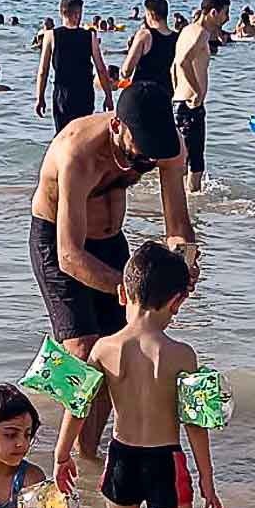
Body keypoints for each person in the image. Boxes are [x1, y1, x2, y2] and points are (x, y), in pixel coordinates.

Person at [28, 81, 199, 459]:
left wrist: (182, 265)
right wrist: (130, 288)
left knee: (118, 350)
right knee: (83, 350)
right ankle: (62, 451)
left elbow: (178, 226)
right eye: (140, 156)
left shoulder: (164, 146)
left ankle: (88, 454)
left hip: (112, 241)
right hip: (59, 240)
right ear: (117, 126)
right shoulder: (78, 152)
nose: (146, 164)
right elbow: (69, 255)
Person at [52, 243, 222, 508]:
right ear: (177, 301)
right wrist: (207, 476)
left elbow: (77, 405)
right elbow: (195, 421)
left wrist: (61, 454)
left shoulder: (104, 349)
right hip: (166, 460)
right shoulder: (182, 354)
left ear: (123, 293)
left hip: (121, 458)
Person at [172, 0, 230, 194]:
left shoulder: (187, 30)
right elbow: (183, 62)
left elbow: (174, 67)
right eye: (225, 13)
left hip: (180, 102)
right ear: (213, 12)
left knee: (186, 159)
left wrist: (178, 91)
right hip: (190, 106)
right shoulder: (201, 33)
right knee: (195, 163)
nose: (227, 18)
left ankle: (185, 202)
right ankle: (190, 209)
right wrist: (196, 92)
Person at [36, 0, 114, 135]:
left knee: (62, 136)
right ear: (78, 14)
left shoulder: (51, 36)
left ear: (61, 13)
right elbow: (101, 69)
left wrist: (40, 97)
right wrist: (108, 96)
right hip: (84, 93)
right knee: (83, 136)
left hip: (62, 94)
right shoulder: (90, 36)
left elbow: (43, 70)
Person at [119, 0, 177, 92]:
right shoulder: (178, 37)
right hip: (166, 94)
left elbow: (126, 71)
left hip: (142, 93)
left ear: (151, 14)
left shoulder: (145, 35)